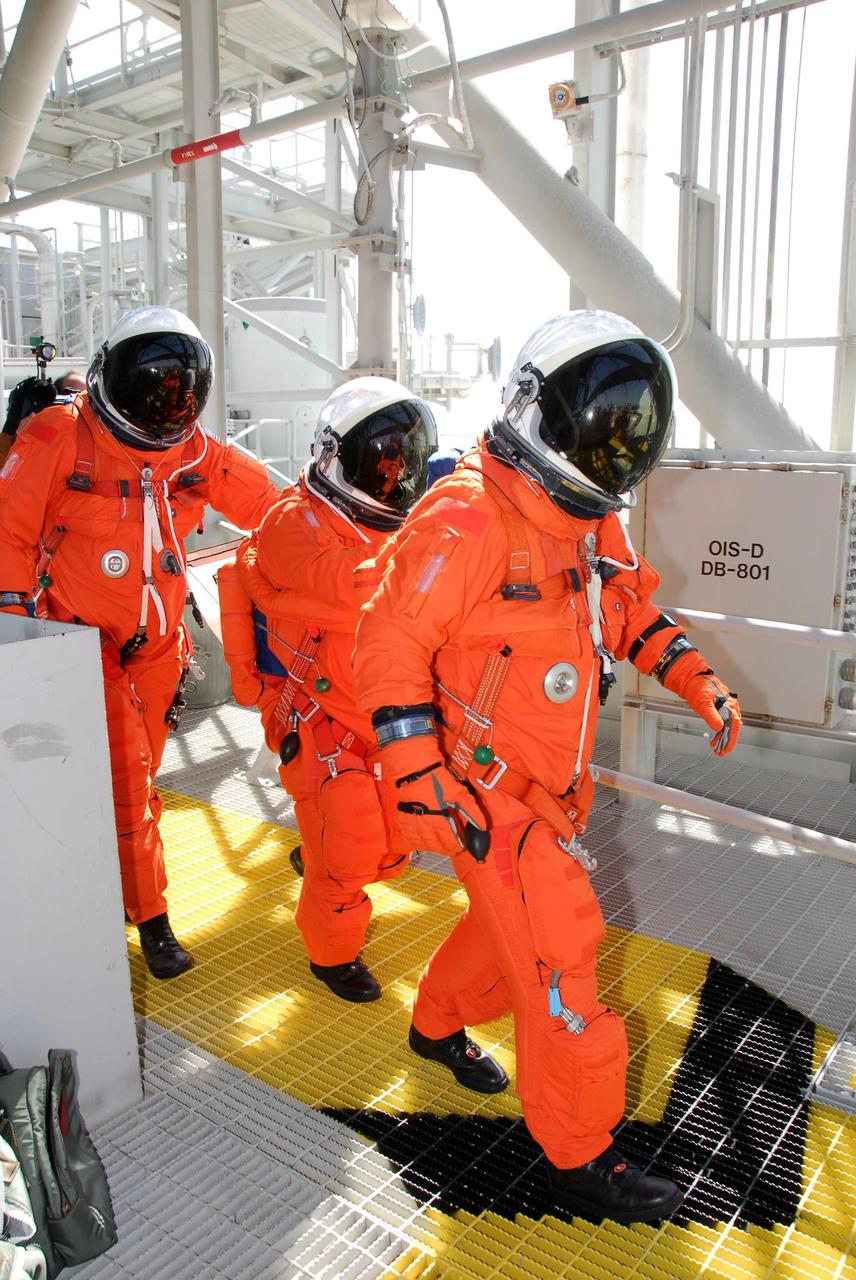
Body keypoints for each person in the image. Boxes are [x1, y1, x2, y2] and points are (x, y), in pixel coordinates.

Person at [352, 310, 743, 1222]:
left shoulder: (587, 521)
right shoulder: (466, 515)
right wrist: (419, 777)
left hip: (554, 789)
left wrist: (699, 682)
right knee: (565, 948)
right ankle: (579, 1156)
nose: (614, 458)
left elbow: (627, 615)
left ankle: (435, 1022)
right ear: (538, 413)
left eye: (627, 442)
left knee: (502, 937)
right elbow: (387, 644)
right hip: (485, 793)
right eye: (600, 435)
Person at [219, 376, 505, 1082]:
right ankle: (332, 955)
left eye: (404, 461)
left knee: (391, 850)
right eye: (381, 460)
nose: (395, 475)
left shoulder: (396, 525)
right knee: (347, 848)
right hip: (322, 724)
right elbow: (360, 584)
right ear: (332, 456)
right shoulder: (294, 523)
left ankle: (320, 868)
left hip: (383, 719)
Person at [0, 306, 279, 979]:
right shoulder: (58, 435)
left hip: (157, 648)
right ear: (107, 377)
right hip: (77, 641)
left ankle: (114, 881)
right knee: (125, 781)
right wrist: (17, 631)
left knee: (138, 780)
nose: (163, 406)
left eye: (178, 394)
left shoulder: (192, 450)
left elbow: (275, 506)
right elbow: (7, 532)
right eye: (150, 389)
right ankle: (151, 919)